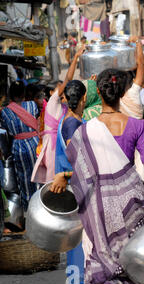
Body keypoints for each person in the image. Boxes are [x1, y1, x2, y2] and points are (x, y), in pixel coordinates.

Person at [65, 68, 144, 284]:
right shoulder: (137, 126)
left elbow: (80, 171)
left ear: (98, 92)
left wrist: (63, 176)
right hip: (129, 204)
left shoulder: (85, 130)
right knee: (126, 260)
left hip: (96, 203)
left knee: (99, 257)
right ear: (123, 93)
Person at [49, 80, 87, 284]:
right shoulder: (72, 124)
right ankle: (78, 279)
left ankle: (77, 279)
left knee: (76, 235)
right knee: (78, 236)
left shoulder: (71, 119)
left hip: (72, 184)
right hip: (74, 184)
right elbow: (78, 159)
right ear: (83, 98)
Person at [31, 46, 85, 185]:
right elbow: (68, 79)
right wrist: (75, 58)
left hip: (58, 142)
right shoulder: (53, 102)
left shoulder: (64, 106)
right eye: (59, 88)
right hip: (53, 145)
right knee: (54, 179)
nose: (62, 90)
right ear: (52, 93)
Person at [0, 81, 39, 212]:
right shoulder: (32, 105)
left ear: (10, 95)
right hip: (35, 143)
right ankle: (41, 207)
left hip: (19, 147)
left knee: (25, 179)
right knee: (39, 176)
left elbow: (5, 131)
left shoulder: (5, 112)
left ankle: (29, 211)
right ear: (24, 94)